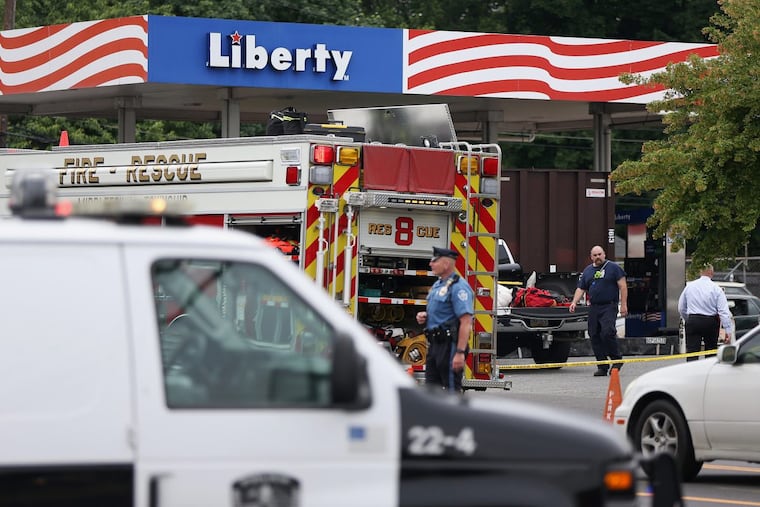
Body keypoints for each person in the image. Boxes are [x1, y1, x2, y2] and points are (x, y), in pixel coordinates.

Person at [416, 246, 473, 392]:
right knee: (431, 391)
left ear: (446, 264)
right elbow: (443, 313)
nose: (430, 264)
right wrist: (426, 317)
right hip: (435, 345)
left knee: (451, 392)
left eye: (434, 261)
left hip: (450, 346)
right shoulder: (438, 285)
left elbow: (466, 322)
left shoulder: (459, 287)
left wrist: (460, 353)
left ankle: (453, 416)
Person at [569, 245, 628, 377]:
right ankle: (602, 366)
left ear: (604, 254)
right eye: (595, 255)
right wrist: (574, 302)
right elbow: (581, 288)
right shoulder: (588, 271)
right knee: (594, 334)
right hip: (594, 307)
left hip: (609, 305)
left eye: (599, 254)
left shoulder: (613, 268)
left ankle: (616, 359)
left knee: (607, 332)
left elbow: (623, 286)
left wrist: (623, 304)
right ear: (591, 257)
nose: (598, 257)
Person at [677, 263, 732, 361]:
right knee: (711, 352)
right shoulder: (716, 289)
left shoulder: (689, 287)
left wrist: (688, 318)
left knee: (692, 352)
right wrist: (728, 330)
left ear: (700, 272)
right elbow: (723, 311)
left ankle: (692, 373)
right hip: (710, 322)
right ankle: (708, 373)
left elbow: (681, 307)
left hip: (693, 320)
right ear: (711, 272)